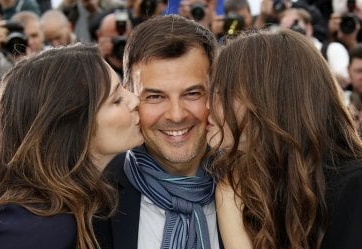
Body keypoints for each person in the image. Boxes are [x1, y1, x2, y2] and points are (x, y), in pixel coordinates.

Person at [206, 28, 362, 249]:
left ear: (267, 100)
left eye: (221, 93)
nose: (206, 107)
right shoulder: (249, 184)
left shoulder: (354, 188)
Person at [0, 43, 144, 248]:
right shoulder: (37, 230)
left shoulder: (49, 212)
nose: (135, 100)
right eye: (116, 100)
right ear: (72, 128)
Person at [93, 14, 221, 249]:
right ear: (130, 96)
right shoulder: (94, 197)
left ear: (215, 92)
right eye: (155, 97)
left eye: (192, 93)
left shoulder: (252, 187)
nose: (176, 115)